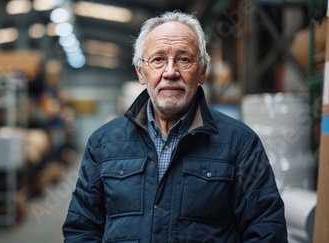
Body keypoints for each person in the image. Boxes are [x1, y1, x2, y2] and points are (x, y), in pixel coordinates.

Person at [63, 10, 287, 242]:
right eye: (158, 59)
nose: (170, 72)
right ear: (141, 72)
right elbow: (82, 229)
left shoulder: (240, 144)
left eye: (184, 59)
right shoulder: (104, 143)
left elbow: (267, 231)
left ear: (202, 72)